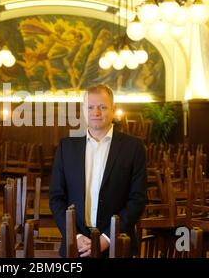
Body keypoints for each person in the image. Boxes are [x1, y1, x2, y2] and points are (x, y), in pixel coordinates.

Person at [49, 84, 146, 257]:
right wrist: (75, 235)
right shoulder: (66, 147)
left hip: (118, 244)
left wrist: (107, 238)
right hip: (75, 246)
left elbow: (137, 200)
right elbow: (56, 198)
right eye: (91, 107)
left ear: (113, 109)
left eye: (102, 107)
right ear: (84, 110)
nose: (96, 113)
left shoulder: (133, 147)